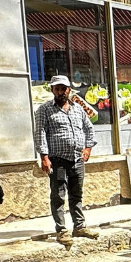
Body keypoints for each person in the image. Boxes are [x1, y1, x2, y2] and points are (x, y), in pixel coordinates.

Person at [33, 74, 98, 245]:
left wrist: (88, 148)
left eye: (64, 88)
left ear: (69, 90)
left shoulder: (78, 109)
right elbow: (40, 134)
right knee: (58, 196)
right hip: (58, 160)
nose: (61, 92)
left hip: (77, 159)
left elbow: (89, 129)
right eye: (58, 89)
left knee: (77, 194)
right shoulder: (44, 109)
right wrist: (44, 157)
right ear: (52, 90)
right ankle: (61, 230)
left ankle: (79, 227)